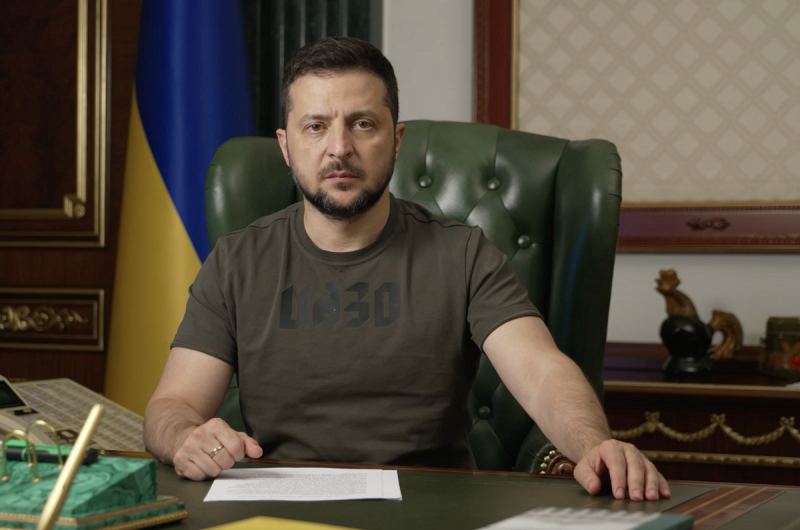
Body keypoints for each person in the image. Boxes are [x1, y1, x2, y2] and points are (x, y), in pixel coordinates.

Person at [144, 36, 670, 502]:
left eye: (362, 124)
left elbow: (541, 373)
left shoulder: (463, 254)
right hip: (279, 508)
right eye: (315, 126)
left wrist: (595, 444)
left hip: (431, 507)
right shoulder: (237, 261)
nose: (339, 148)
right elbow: (173, 404)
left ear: (395, 141)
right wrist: (185, 437)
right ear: (287, 146)